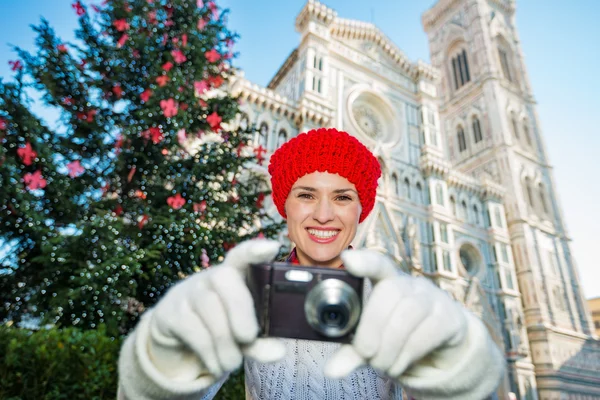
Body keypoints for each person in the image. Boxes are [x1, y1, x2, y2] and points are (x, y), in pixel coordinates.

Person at [118, 128, 506, 399]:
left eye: (341, 197)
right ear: (284, 207)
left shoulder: (396, 296)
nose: (324, 215)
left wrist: (457, 363)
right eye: (306, 194)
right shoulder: (253, 292)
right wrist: (167, 347)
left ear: (361, 210)